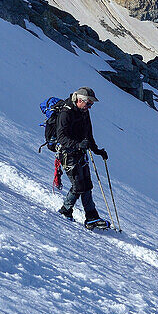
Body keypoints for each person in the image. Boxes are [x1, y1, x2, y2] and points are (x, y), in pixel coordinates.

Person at [56, 87, 109, 229]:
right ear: (80, 100)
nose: (90, 107)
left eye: (91, 104)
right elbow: (61, 137)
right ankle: (65, 210)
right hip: (67, 153)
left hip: (80, 152)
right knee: (78, 185)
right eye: (89, 104)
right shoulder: (66, 113)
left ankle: (91, 216)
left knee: (87, 184)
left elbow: (88, 134)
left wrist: (97, 150)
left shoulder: (83, 112)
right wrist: (78, 145)